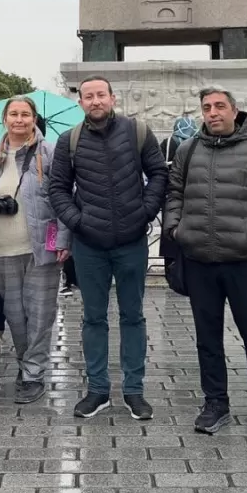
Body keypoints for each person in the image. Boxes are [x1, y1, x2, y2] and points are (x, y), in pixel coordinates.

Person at [164, 87, 247, 439]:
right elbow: (174, 192)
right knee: (207, 339)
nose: (213, 112)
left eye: (220, 106)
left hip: (245, 261)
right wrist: (175, 229)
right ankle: (215, 403)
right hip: (200, 260)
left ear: (235, 110)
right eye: (207, 107)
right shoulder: (188, 151)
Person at [48, 75, 167, 420]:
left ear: (112, 98)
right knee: (93, 318)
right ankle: (97, 389)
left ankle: (134, 390)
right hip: (90, 245)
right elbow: (57, 188)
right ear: (80, 102)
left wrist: (144, 211)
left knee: (133, 316)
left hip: (131, 241)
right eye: (88, 96)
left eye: (101, 95)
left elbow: (159, 174)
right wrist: (78, 221)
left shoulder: (137, 133)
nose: (95, 101)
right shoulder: (69, 141)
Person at [0, 96, 67, 404]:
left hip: (41, 247)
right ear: (4, 119)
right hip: (3, 248)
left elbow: (65, 198)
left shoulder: (51, 154)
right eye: (13, 114)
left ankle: (33, 372)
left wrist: (64, 240)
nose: (19, 119)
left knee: (40, 314)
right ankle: (26, 362)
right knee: (15, 314)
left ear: (34, 119)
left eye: (25, 114)